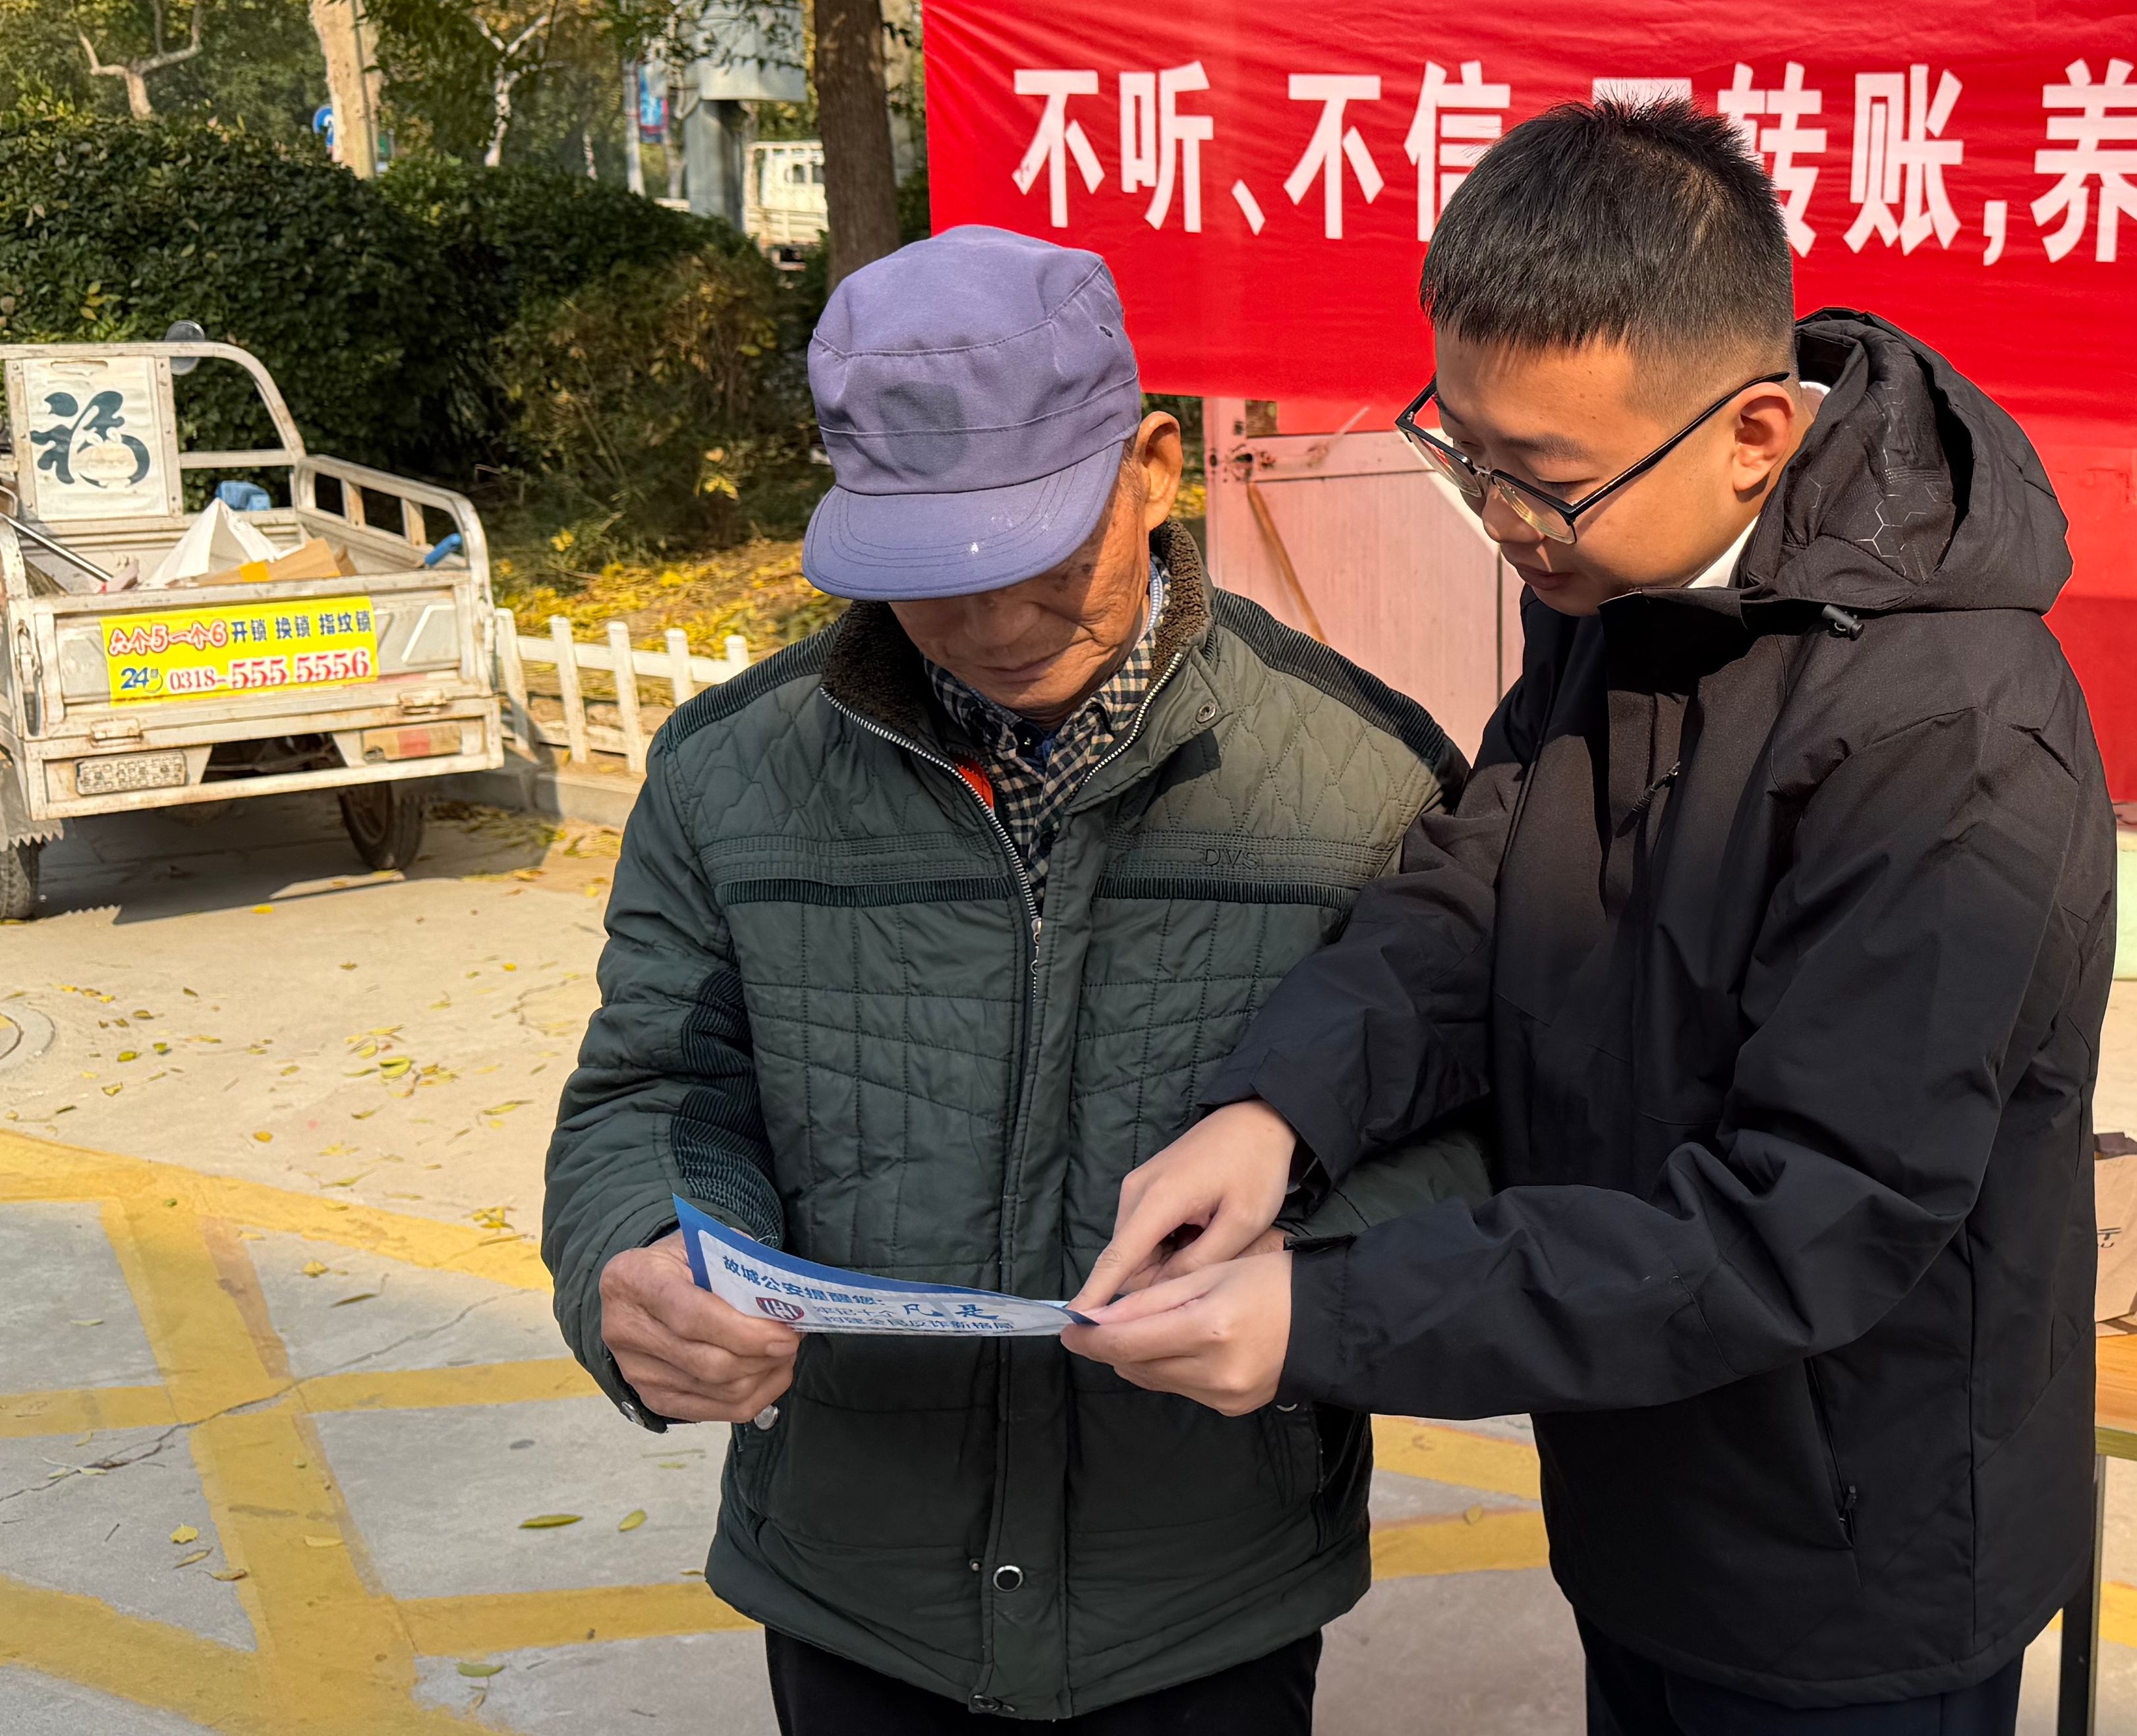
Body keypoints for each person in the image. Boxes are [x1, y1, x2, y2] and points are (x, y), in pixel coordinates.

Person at [1064, 99, 2117, 1734]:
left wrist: (1330, 1310)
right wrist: (1279, 1111)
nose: (1499, 517)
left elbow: (1809, 1213)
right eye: (1467, 452)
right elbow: (1475, 892)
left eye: (1544, 478)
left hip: (1857, 1559)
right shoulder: (1617, 588)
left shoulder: (1949, 733)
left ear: (1753, 435)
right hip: (1643, 1477)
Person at [539, 225, 1483, 1733]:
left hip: (1205, 1587)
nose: (988, 623)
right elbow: (650, 1090)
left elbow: (1469, 1126)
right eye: (927, 576)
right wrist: (639, 1254)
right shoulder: (728, 777)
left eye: (1040, 560)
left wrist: (1317, 1285)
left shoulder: (1363, 777)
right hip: (857, 1577)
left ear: (1153, 471)